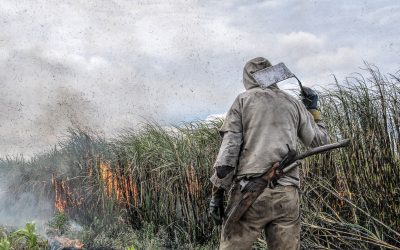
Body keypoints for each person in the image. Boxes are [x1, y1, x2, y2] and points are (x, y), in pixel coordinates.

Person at [209, 57, 330, 250]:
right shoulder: (293, 103)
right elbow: (320, 141)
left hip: (251, 194)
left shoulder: (243, 100)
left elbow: (228, 154)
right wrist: (313, 109)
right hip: (286, 195)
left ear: (247, 78)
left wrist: (217, 194)